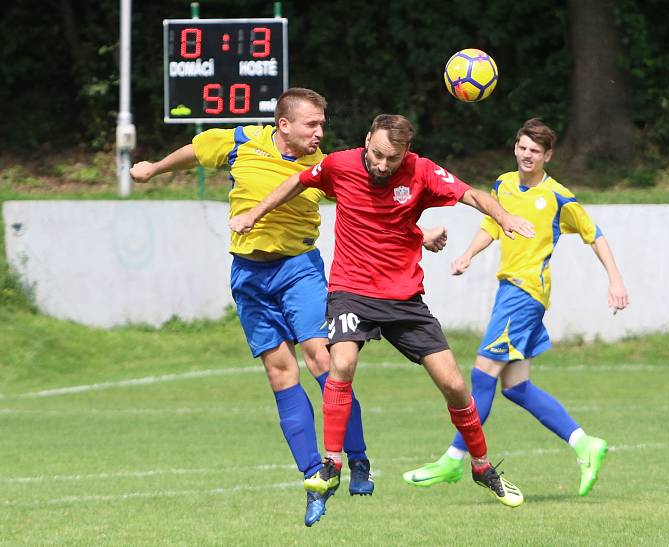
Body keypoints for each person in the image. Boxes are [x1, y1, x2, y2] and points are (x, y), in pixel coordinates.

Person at [229, 114, 536, 513]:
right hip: (351, 292)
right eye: (376, 155)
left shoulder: (421, 171)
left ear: (405, 153)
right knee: (341, 363)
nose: (382, 165)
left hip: (404, 298)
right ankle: (332, 463)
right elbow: (295, 182)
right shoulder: (340, 164)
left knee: (456, 386)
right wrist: (255, 213)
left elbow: (473, 194)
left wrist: (505, 217)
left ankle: (481, 467)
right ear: (367, 140)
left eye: (392, 159)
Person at [129, 88, 407, 527]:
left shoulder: (324, 167)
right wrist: (154, 167)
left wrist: (419, 230)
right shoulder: (241, 143)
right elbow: (197, 150)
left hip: (300, 270)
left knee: (324, 358)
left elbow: (376, 205)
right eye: (311, 124)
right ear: (283, 125)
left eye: (322, 123)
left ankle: (357, 459)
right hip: (248, 277)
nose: (320, 131)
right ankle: (314, 474)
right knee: (280, 372)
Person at [402, 118, 630, 497]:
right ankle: (584, 444)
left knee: (481, 376)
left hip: (525, 294)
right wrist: (467, 255)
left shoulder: (558, 196)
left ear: (548, 156)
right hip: (510, 291)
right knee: (517, 387)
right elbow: (493, 225)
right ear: (516, 148)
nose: (527, 155)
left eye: (535, 151)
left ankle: (454, 460)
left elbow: (595, 235)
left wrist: (616, 279)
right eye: (523, 147)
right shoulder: (503, 185)